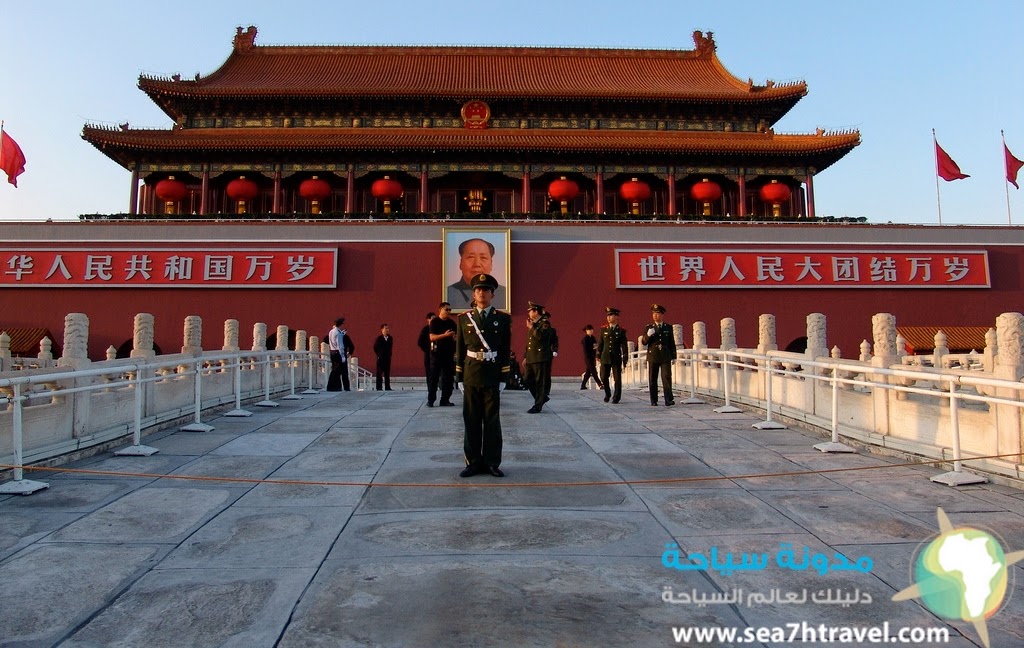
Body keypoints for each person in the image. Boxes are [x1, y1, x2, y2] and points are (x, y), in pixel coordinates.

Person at [455, 273, 512, 478]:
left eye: (486, 289)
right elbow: (460, 349)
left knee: (492, 421)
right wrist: (459, 377)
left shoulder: (503, 319)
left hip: (492, 374)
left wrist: (504, 378)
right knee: (471, 420)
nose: (481, 293)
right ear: (474, 293)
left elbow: (505, 350)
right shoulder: (464, 319)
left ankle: (492, 462)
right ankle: (472, 462)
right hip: (471, 374)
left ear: (492, 294)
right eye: (478, 289)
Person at [447, 237, 507, 310]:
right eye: (471, 257)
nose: (477, 264)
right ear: (460, 263)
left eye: (483, 258)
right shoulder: (450, 293)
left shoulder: (503, 294)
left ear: (491, 264)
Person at [641, 304, 676, 406]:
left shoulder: (668, 327)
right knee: (653, 379)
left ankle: (668, 399)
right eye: (653, 313)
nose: (655, 316)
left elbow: (671, 342)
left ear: (662, 314)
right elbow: (644, 342)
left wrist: (674, 356)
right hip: (653, 355)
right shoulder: (649, 327)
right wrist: (648, 335)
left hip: (665, 355)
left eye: (657, 313)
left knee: (666, 378)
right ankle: (653, 400)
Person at [523, 301, 555, 413]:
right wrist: (525, 356)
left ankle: (538, 405)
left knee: (539, 381)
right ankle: (542, 398)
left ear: (536, 311)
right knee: (526, 380)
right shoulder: (534, 324)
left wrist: (532, 328)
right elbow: (529, 343)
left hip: (540, 357)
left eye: (531, 310)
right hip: (531, 357)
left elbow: (541, 337)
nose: (529, 313)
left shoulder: (544, 323)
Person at [427, 302, 457, 407]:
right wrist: (445, 335)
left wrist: (454, 338)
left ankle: (445, 400)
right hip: (436, 354)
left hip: (448, 354)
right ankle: (431, 400)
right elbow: (432, 337)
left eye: (450, 310)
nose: (448, 312)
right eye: (446, 309)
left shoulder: (452, 323)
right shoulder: (434, 322)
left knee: (448, 378)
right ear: (440, 310)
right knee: (434, 378)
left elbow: (456, 337)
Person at [597, 307, 628, 404]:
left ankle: (616, 397)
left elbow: (624, 345)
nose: (609, 317)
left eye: (611, 315)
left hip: (616, 357)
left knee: (617, 378)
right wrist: (598, 354)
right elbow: (601, 343)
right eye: (608, 316)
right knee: (603, 377)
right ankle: (607, 393)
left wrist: (625, 357)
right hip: (605, 357)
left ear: (616, 317)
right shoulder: (603, 329)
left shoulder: (621, 330)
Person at [327, 317, 355, 392]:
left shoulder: (331, 331)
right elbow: (340, 346)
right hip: (337, 353)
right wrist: (343, 356)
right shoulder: (338, 333)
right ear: (341, 325)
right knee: (340, 371)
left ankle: (334, 386)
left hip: (332, 351)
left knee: (334, 370)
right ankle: (338, 387)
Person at [580, 324, 604, 390]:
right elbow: (587, 348)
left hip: (592, 356)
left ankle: (583, 385)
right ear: (586, 331)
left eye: (591, 329)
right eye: (589, 330)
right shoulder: (585, 339)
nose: (591, 331)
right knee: (593, 371)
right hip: (587, 357)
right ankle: (600, 384)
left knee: (588, 372)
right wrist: (593, 347)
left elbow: (596, 345)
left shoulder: (593, 338)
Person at [373, 323, 394, 391]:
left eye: (388, 328)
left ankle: (387, 387)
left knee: (387, 373)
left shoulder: (390, 338)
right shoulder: (379, 339)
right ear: (382, 330)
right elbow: (375, 347)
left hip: (387, 358)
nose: (387, 330)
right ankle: (379, 387)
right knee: (379, 373)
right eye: (386, 328)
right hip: (381, 358)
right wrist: (379, 355)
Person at [417, 312, 435, 382]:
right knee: (429, 372)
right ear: (428, 319)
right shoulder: (425, 329)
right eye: (433, 318)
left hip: (437, 354)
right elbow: (420, 342)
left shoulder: (437, 328)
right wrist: (428, 350)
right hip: (428, 355)